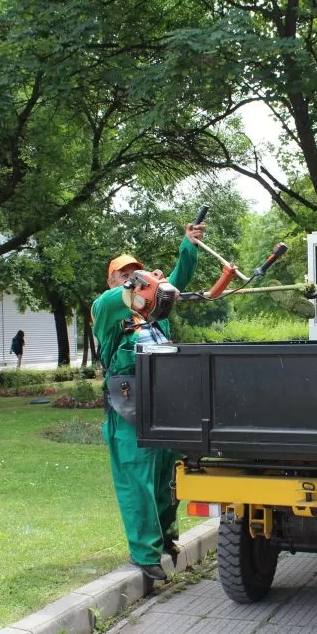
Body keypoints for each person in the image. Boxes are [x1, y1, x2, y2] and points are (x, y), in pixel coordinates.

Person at [91, 221, 205, 582]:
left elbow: (175, 282)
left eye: (135, 273)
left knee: (168, 473)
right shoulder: (106, 309)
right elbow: (112, 299)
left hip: (163, 401)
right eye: (123, 275)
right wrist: (135, 284)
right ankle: (144, 553)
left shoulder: (155, 310)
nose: (131, 279)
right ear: (112, 281)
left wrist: (188, 245)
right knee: (136, 479)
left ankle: (166, 537)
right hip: (127, 404)